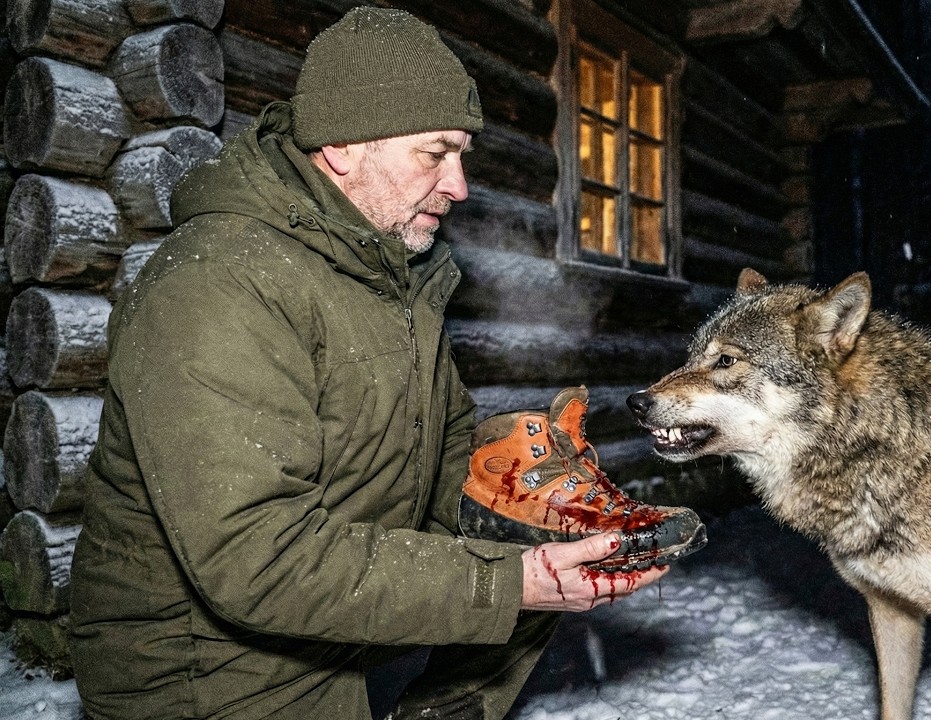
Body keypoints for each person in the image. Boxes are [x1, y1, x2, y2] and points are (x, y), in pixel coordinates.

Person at [67, 8, 700, 720]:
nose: (458, 185)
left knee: (524, 570)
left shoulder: (393, 271)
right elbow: (255, 558)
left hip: (325, 619)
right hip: (212, 671)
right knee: (508, 587)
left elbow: (445, 445)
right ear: (342, 147)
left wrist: (531, 492)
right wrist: (510, 581)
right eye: (434, 154)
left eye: (462, 154)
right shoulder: (216, 286)